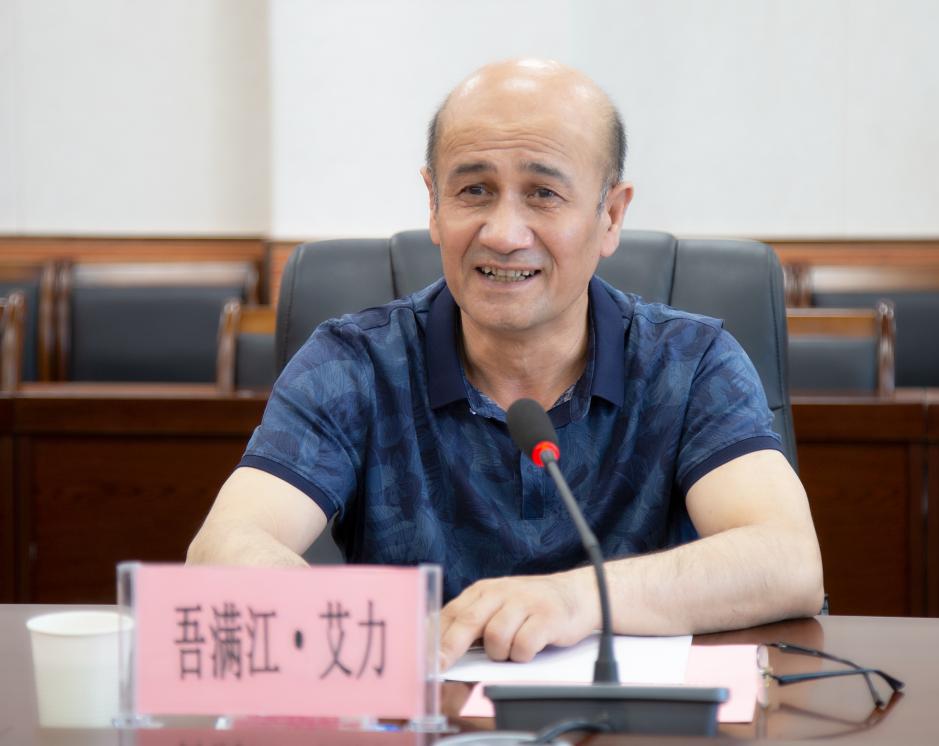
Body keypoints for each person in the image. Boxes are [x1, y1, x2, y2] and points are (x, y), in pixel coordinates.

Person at [187, 58, 823, 670]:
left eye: (543, 193)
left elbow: (788, 560)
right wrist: (363, 626)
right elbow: (222, 549)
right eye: (474, 191)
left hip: (635, 719)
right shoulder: (353, 364)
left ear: (610, 215)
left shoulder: (690, 362)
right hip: (426, 714)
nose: (503, 233)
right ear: (434, 205)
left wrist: (575, 599)